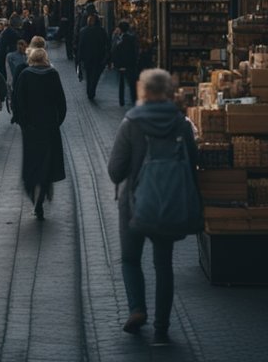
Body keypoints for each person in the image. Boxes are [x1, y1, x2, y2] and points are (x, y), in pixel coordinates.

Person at [107, 68, 196, 346]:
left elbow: (115, 170)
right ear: (168, 91)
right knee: (163, 264)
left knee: (131, 259)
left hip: (134, 202)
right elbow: (192, 162)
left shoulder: (131, 123)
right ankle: (161, 328)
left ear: (142, 91)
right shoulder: (181, 123)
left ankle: (137, 309)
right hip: (168, 202)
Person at [11, 48, 68, 219]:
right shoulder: (53, 74)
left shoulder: (25, 75)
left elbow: (17, 101)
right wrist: (57, 121)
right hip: (49, 126)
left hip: (31, 128)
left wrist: (23, 122)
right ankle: (41, 198)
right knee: (47, 163)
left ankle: (31, 190)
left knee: (32, 162)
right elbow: (61, 101)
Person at [78, 15, 110, 101]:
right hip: (99, 58)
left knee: (88, 75)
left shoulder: (83, 31)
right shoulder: (101, 31)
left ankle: (89, 90)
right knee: (95, 76)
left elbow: (80, 45)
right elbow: (107, 43)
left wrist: (79, 58)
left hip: (87, 58)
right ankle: (92, 90)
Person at [110, 21, 141, 108]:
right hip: (131, 64)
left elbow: (115, 51)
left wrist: (116, 64)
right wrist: (135, 61)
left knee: (121, 83)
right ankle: (134, 99)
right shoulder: (132, 38)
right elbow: (135, 51)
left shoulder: (119, 39)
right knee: (132, 83)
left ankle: (121, 100)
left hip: (122, 65)